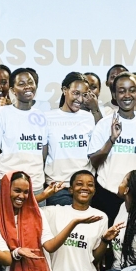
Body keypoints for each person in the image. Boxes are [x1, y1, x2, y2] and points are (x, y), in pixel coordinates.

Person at [41, 171, 107, 271]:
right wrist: (45, 194)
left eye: (90, 184)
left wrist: (106, 241)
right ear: (70, 190)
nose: (84, 187)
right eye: (79, 184)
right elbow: (22, 207)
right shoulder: (54, 212)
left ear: (94, 190)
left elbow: (95, 256)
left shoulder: (101, 216)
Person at [88, 73, 136, 223]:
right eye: (122, 91)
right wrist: (112, 139)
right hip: (108, 194)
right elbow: (94, 162)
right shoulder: (104, 124)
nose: (127, 95)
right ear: (114, 94)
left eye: (132, 90)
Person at [0, 67, 49, 194]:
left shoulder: (41, 116)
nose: (27, 87)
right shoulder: (2, 113)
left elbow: (43, 153)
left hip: (35, 185)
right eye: (21, 84)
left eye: (30, 82)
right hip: (8, 184)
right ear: (12, 90)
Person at [43, 73, 96, 206]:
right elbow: (42, 154)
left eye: (84, 95)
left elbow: (96, 151)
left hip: (84, 188)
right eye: (75, 93)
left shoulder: (88, 118)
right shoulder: (47, 118)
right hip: (58, 187)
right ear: (64, 90)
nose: (80, 99)